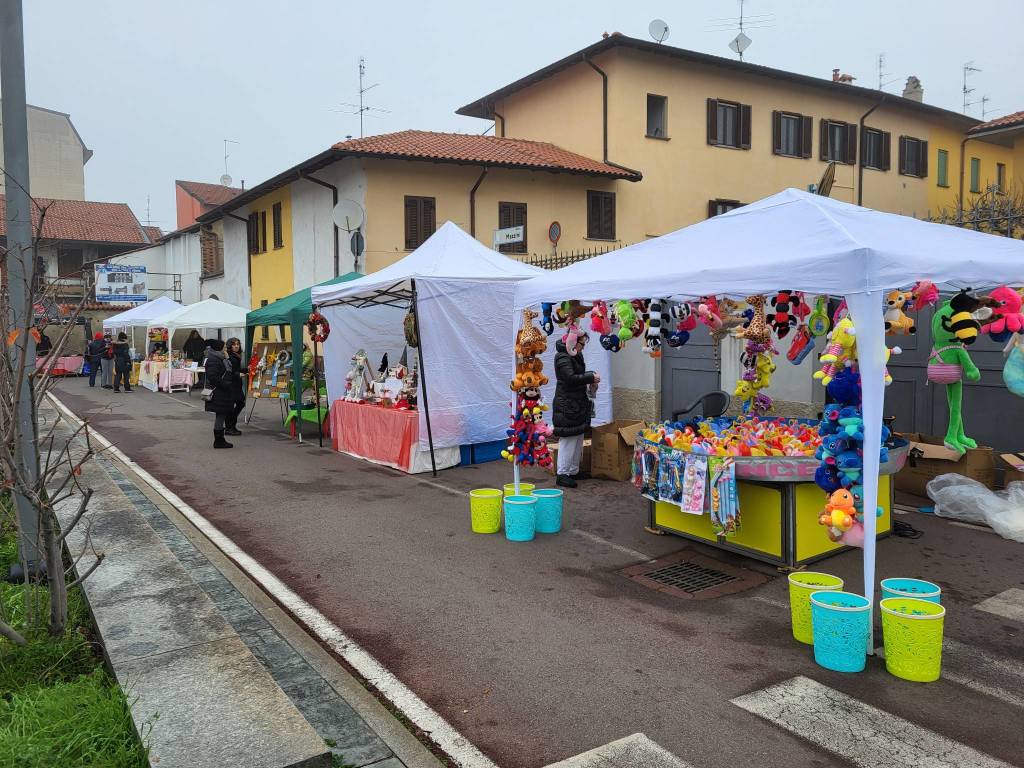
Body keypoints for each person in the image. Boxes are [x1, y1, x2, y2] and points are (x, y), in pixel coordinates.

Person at [552, 330, 599, 488]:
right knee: (568, 439)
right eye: (582, 344)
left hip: (576, 402)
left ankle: (573, 470)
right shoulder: (562, 357)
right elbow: (570, 378)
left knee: (578, 436)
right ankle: (562, 473)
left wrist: (589, 376)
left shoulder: (574, 355)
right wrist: (590, 377)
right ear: (573, 341)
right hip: (567, 404)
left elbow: (577, 376)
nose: (583, 347)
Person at [203, 339, 236, 449]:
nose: (226, 349)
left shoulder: (221, 358)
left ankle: (220, 440)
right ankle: (219, 441)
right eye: (225, 347)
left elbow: (230, 370)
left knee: (221, 415)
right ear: (219, 348)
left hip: (223, 391)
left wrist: (227, 357)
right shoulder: (214, 359)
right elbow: (213, 377)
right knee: (220, 415)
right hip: (219, 392)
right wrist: (225, 385)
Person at [224, 337, 246, 436]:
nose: (236, 346)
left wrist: (248, 370)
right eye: (234, 344)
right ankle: (229, 427)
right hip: (231, 385)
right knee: (231, 406)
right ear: (230, 346)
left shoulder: (237, 355)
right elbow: (228, 371)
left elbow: (237, 369)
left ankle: (231, 425)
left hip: (237, 384)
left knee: (240, 403)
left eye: (238, 344)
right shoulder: (229, 356)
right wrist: (238, 374)